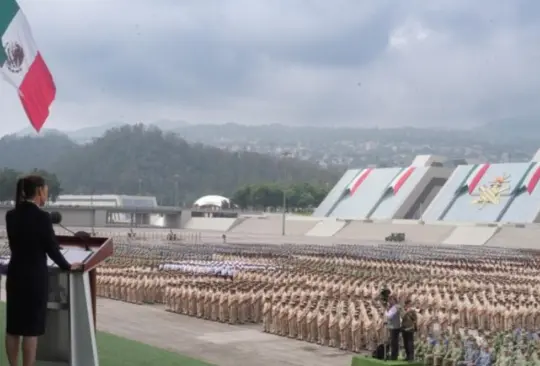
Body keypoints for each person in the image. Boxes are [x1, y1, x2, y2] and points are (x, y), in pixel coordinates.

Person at [4, 175, 83, 366]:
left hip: (15, 275)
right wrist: (67, 265)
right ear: (39, 191)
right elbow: (51, 249)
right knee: (31, 330)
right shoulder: (42, 218)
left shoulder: (11, 215)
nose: (47, 193)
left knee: (13, 328)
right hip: (34, 278)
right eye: (46, 190)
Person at [385, 295, 401, 360]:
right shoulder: (393, 307)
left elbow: (389, 316)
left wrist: (386, 311)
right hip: (393, 326)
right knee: (394, 341)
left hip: (394, 327)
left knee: (394, 342)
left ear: (394, 300)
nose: (390, 302)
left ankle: (394, 356)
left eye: (391, 300)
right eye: (389, 300)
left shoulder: (395, 307)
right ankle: (394, 354)